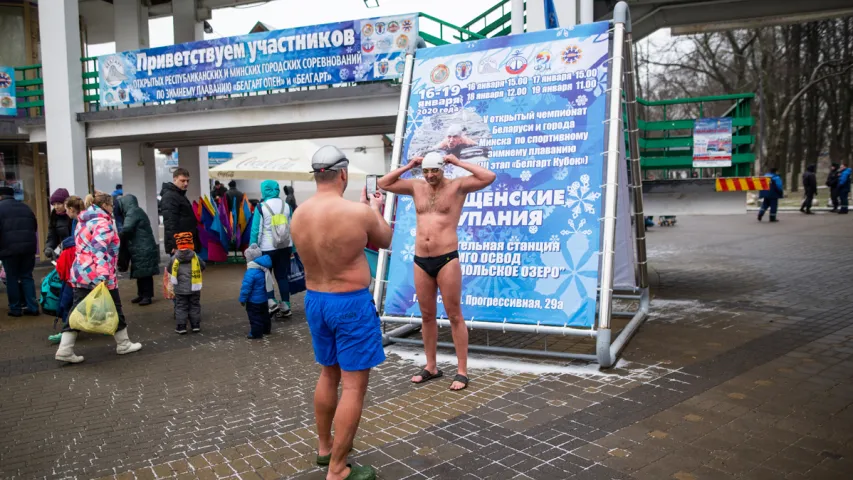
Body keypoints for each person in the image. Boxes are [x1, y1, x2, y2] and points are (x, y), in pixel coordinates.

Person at [291, 145, 392, 480]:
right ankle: (338, 469)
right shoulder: (356, 213)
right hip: (349, 302)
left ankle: (325, 448)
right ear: (344, 175)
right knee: (352, 386)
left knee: (328, 373)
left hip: (315, 299)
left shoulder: (299, 214)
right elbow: (386, 238)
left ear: (316, 175)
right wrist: (375, 209)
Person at [378, 150, 496, 391]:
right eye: (426, 171)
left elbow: (489, 176)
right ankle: (431, 366)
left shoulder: (457, 187)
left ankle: (462, 370)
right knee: (427, 316)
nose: (430, 175)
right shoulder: (415, 187)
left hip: (447, 258)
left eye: (435, 170)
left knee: (454, 315)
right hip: (421, 259)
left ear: (444, 168)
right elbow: (384, 183)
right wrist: (409, 165)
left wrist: (458, 162)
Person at [55, 191, 143, 364]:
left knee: (77, 310)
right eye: (111, 206)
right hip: (99, 274)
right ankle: (123, 344)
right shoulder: (104, 224)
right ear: (105, 206)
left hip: (82, 272)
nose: (113, 209)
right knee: (115, 308)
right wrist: (103, 276)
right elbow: (100, 250)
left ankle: (65, 348)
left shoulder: (83, 221)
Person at [250, 180, 293, 318]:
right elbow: (292, 227)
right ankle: (286, 306)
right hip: (285, 246)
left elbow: (256, 230)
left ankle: (271, 302)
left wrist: (252, 246)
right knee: (282, 276)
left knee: (266, 275)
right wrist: (294, 248)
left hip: (267, 248)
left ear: (264, 190)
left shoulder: (261, 207)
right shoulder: (286, 206)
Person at [0, 185, 39, 317]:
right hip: (28, 248)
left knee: (11, 278)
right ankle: (33, 307)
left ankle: (15, 309)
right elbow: (34, 226)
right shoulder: (25, 207)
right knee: (27, 276)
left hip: (8, 249)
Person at [117, 195, 160, 306]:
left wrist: (116, 237)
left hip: (142, 247)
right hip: (141, 247)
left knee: (145, 274)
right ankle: (141, 294)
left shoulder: (132, 213)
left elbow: (126, 229)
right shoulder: (136, 211)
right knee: (141, 273)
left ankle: (147, 296)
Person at [170, 232, 206, 334]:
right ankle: (195, 325)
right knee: (194, 305)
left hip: (180, 289)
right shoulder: (195, 257)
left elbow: (169, 269)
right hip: (194, 287)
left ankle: (181, 327)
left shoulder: (174, 258)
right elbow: (203, 266)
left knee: (181, 306)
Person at [160, 167, 200, 254]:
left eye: (187, 181)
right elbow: (170, 223)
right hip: (180, 245)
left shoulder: (179, 195)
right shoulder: (170, 197)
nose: (186, 183)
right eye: (182, 181)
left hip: (185, 242)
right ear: (175, 179)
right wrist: (175, 245)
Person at [240, 244, 275, 339]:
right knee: (265, 315)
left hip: (253, 301)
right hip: (263, 298)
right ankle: (266, 329)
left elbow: (246, 288)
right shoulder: (264, 269)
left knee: (254, 317)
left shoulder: (250, 272)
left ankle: (256, 332)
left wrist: (243, 299)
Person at [45, 188, 72, 259]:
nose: (56, 207)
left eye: (59, 204)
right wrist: (49, 247)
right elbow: (52, 236)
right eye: (54, 204)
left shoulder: (72, 215)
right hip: (63, 252)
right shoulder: (54, 217)